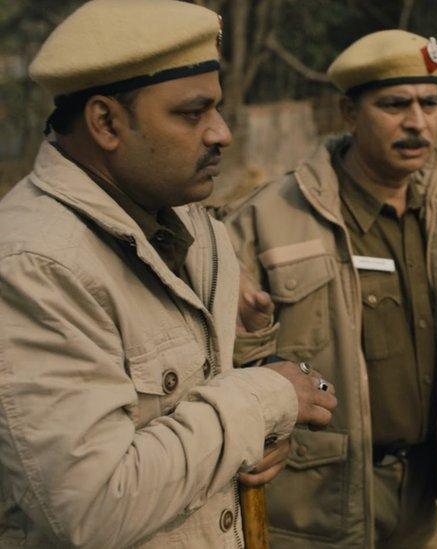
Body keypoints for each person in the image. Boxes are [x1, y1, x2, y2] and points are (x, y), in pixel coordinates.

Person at [0, 0, 337, 547]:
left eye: (218, 109)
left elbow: (199, 399)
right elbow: (90, 507)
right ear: (106, 122)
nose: (222, 133)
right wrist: (265, 399)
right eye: (192, 113)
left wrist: (260, 430)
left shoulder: (192, 224)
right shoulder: (35, 265)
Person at [222, 29, 437, 548]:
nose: (417, 122)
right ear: (348, 114)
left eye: (430, 104)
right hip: (316, 505)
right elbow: (222, 360)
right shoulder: (268, 217)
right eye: (395, 105)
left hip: (422, 493)